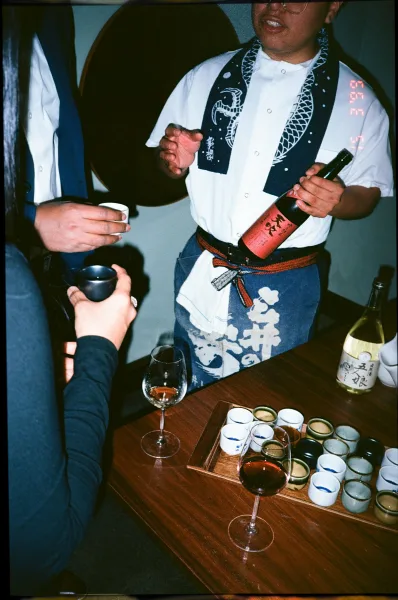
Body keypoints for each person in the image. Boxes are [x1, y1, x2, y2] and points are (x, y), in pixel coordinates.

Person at [146, 1, 394, 390]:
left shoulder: (357, 99)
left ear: (331, 9)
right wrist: (171, 161)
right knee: (192, 379)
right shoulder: (206, 76)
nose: (275, 5)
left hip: (285, 277)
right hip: (205, 263)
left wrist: (339, 200)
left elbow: (369, 192)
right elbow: (166, 165)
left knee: (268, 393)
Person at [4, 8, 137, 595]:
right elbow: (46, 545)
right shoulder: (10, 287)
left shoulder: (50, 15)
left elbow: (57, 134)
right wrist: (100, 348)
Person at [19, 3, 130, 285]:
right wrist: (28, 223)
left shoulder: (53, 13)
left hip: (56, 268)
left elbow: (62, 133)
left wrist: (76, 262)